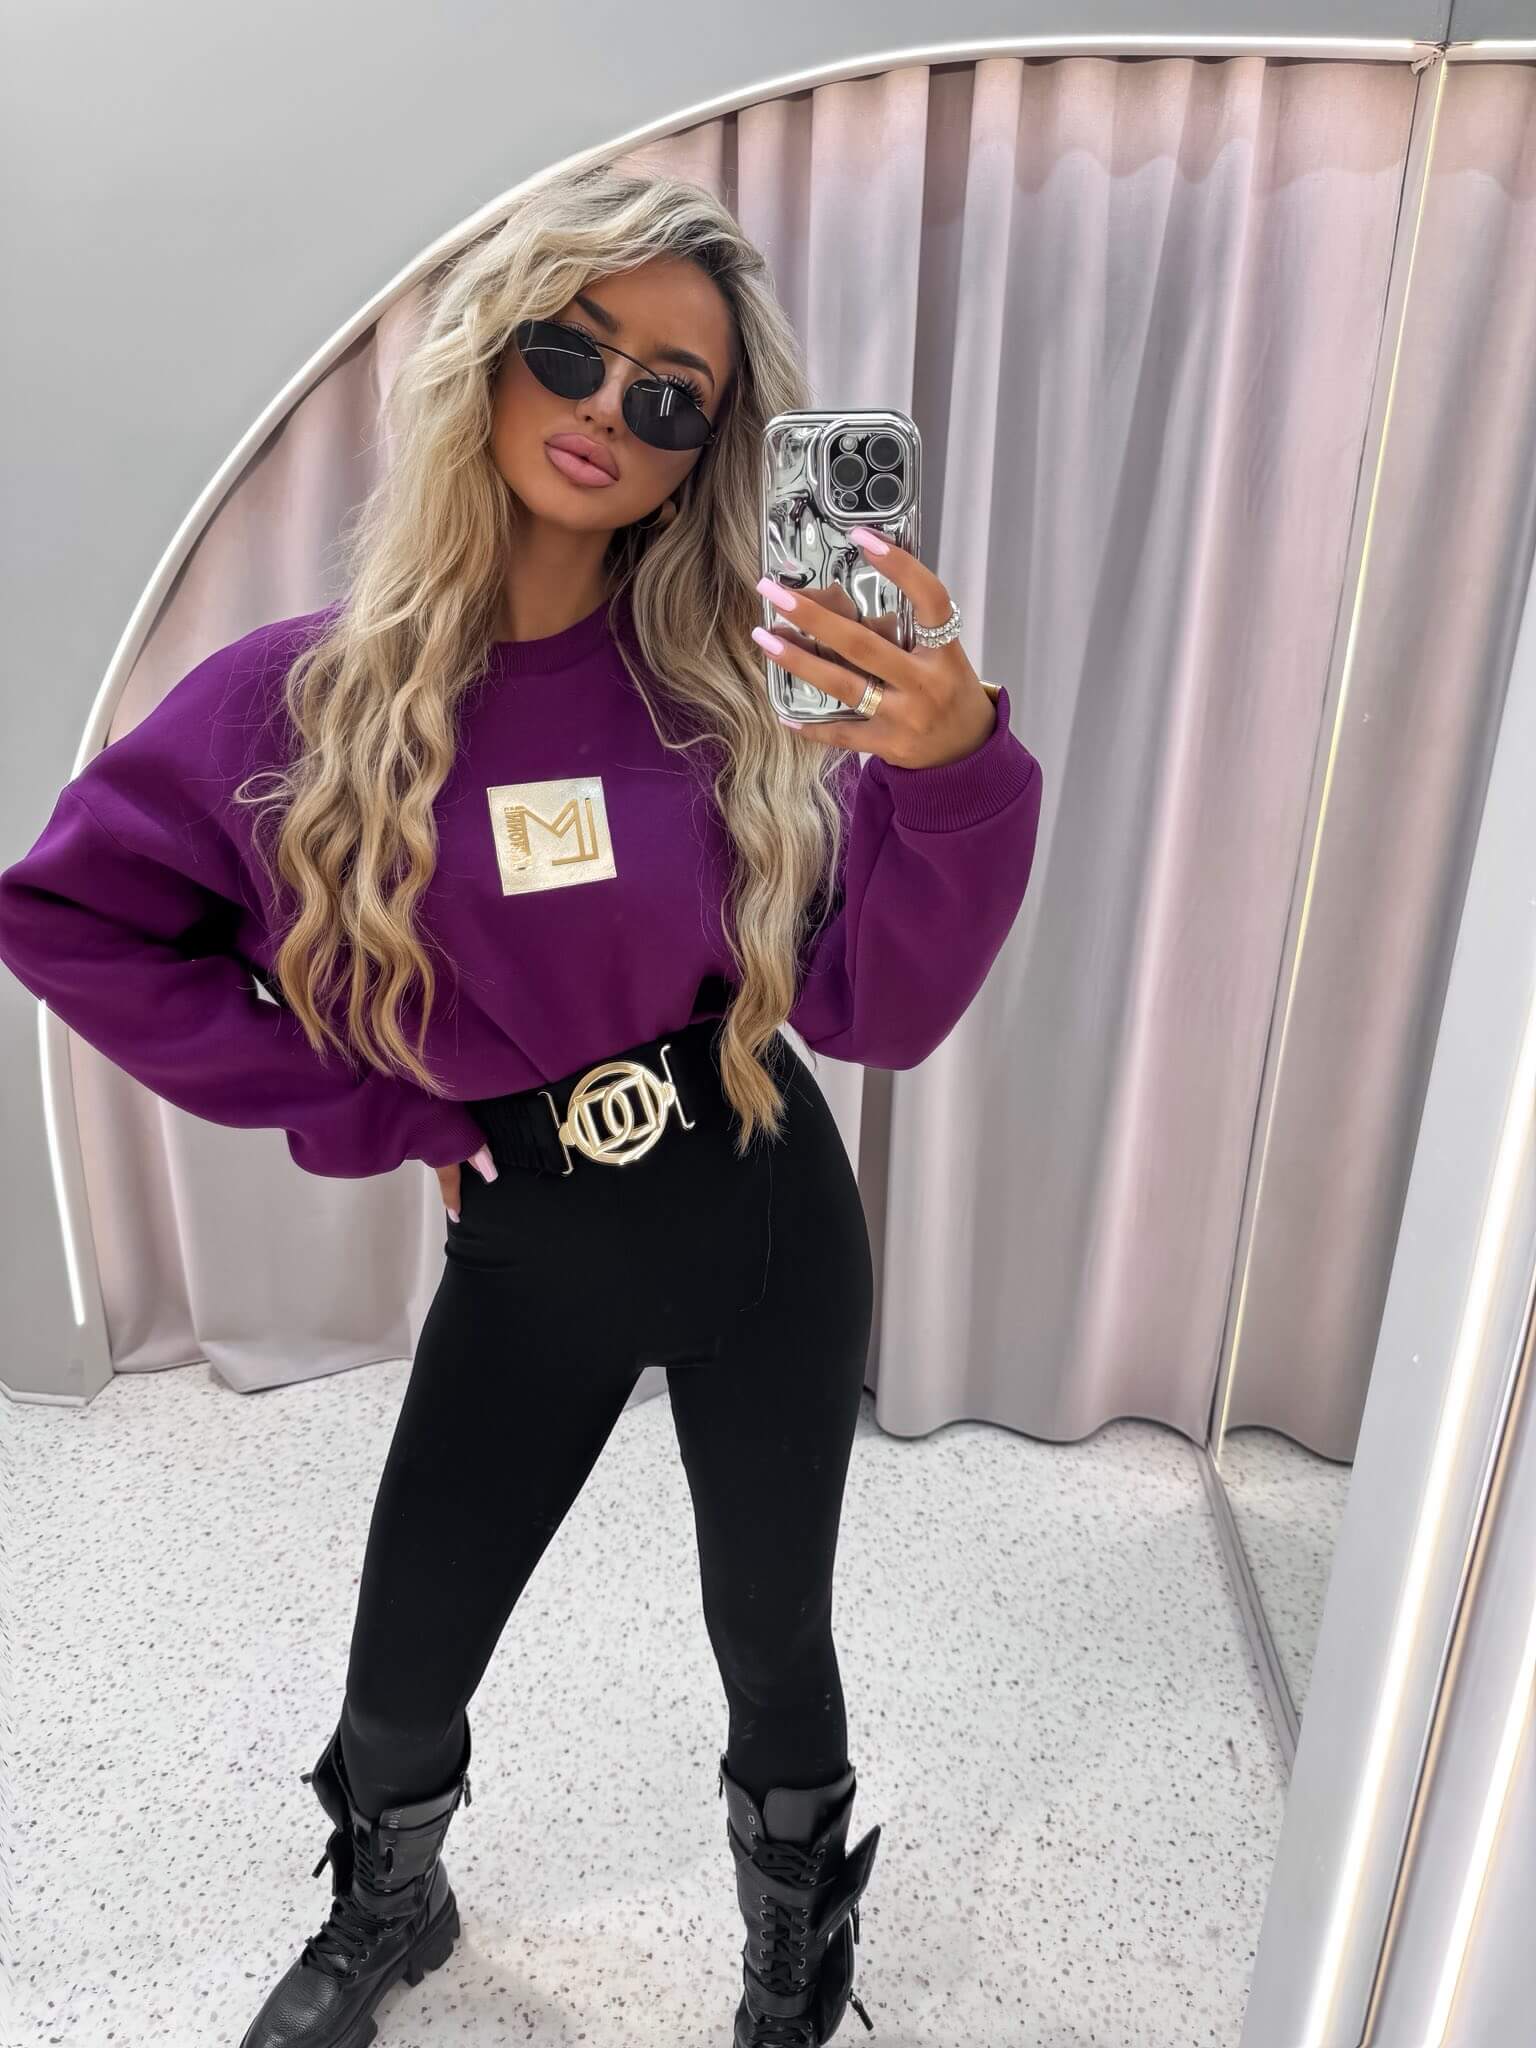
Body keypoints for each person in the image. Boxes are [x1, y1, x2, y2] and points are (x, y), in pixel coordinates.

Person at [0, 161, 1043, 2047]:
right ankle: (392, 1904)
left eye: (673, 396)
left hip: (762, 1208)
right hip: (533, 1228)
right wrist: (379, 1110)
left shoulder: (740, 688)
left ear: (705, 454)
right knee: (410, 1651)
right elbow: (69, 920)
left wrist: (951, 767)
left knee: (774, 1638)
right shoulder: (297, 701)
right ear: (488, 357)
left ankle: (796, 1956)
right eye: (575, 350)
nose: (611, 408)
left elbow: (878, 1012)